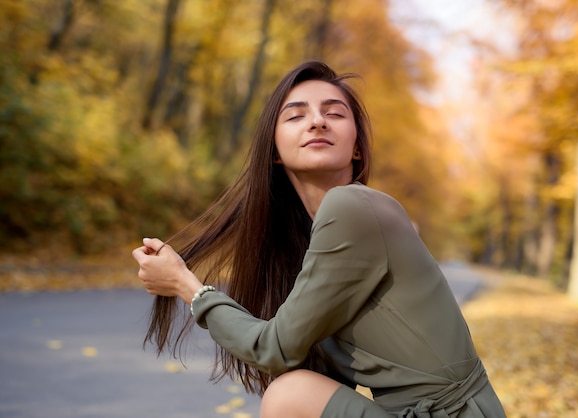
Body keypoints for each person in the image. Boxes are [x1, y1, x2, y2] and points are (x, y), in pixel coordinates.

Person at [132, 60, 507, 417]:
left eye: (335, 113)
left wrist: (186, 286)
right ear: (275, 152)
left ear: (357, 147)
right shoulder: (322, 236)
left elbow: (274, 349)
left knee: (288, 396)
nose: (316, 122)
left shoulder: (353, 206)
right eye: (296, 115)